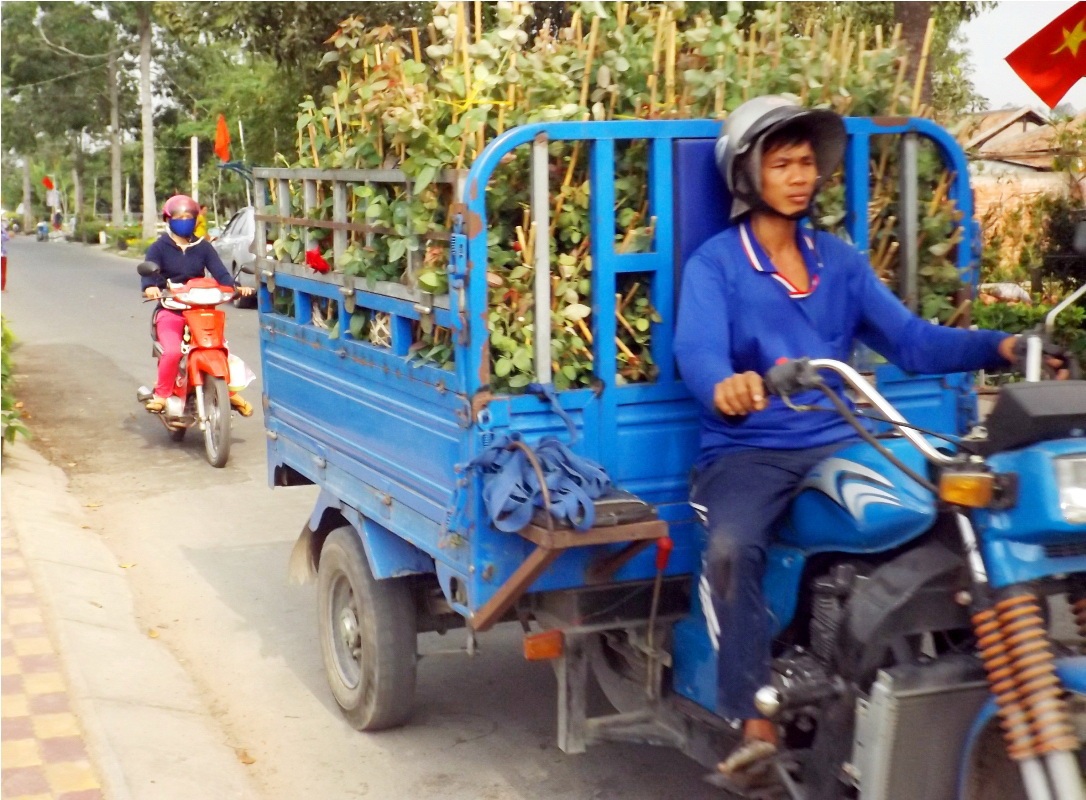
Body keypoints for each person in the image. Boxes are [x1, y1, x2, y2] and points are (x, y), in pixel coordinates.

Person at [673, 95, 1031, 787]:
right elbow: (698, 356)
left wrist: (1003, 345)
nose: (800, 176)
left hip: (844, 433)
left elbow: (913, 342)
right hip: (752, 448)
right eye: (783, 164)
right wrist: (729, 386)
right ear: (748, 176)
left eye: (807, 162)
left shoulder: (837, 260)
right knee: (730, 547)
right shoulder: (716, 264)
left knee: (963, 499)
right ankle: (754, 718)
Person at [140, 194, 255, 415]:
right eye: (178, 216)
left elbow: (221, 273)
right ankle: (162, 395)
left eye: (188, 216)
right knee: (172, 351)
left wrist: (236, 287)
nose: (184, 220)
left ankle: (228, 393)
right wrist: (150, 287)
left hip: (200, 310)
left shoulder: (203, 247)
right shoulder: (159, 247)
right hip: (171, 309)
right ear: (168, 219)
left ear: (195, 220)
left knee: (220, 349)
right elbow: (148, 272)